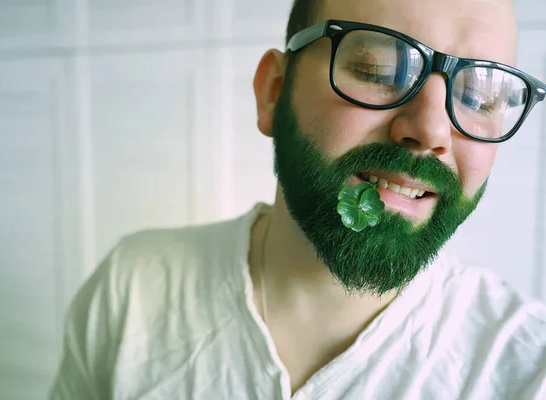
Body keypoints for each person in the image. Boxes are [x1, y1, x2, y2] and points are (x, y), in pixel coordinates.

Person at [49, 0, 546, 398]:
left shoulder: (526, 367)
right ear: (274, 91)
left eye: (481, 98)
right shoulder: (132, 289)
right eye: (377, 70)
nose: (433, 130)